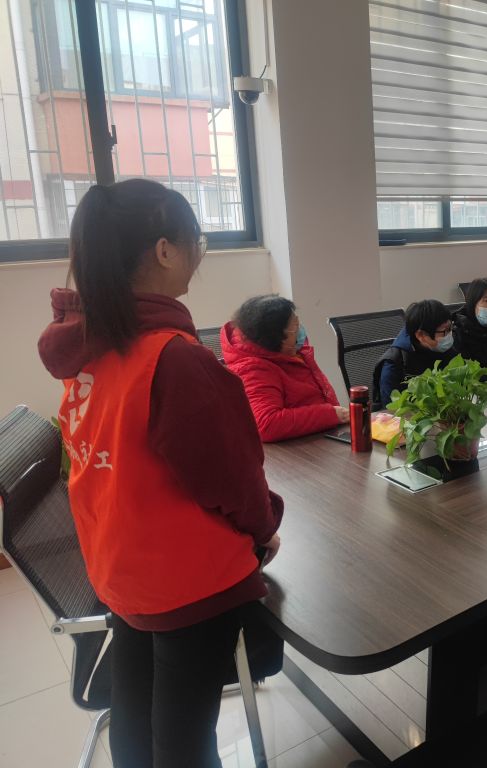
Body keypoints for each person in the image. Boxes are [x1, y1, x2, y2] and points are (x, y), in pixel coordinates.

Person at [37, 179, 283, 767]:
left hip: (121, 568)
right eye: (197, 241)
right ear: (166, 250)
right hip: (187, 582)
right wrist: (264, 528)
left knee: (137, 719)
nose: (200, 254)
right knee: (185, 743)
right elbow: (234, 481)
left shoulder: (92, 347)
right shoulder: (175, 359)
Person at [222, 295, 346, 442]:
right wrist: (331, 414)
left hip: (321, 435)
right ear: (275, 337)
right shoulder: (252, 369)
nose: (300, 330)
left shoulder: (292, 351)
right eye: (294, 327)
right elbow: (267, 424)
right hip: (296, 450)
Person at [373, 299, 459, 405]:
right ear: (421, 335)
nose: (449, 335)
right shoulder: (394, 363)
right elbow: (391, 408)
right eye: (444, 331)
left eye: (450, 328)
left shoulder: (447, 350)